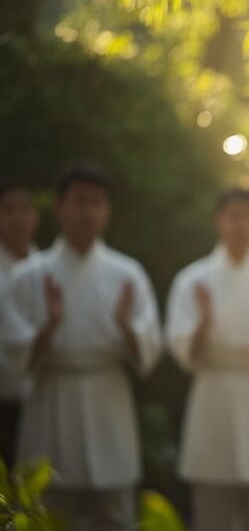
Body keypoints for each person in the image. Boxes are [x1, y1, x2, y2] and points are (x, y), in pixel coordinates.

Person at [5, 163, 162, 530]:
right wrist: (50, 326)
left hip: (107, 395)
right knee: (47, 510)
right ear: (59, 208)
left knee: (117, 513)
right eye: (78, 202)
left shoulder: (127, 273)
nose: (87, 212)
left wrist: (126, 328)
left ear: (107, 210)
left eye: (96, 203)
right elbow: (13, 353)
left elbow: (150, 343)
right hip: (51, 396)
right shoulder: (29, 276)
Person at [165, 187, 249, 531]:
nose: (240, 224)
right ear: (219, 221)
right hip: (212, 394)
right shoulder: (193, 279)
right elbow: (181, 353)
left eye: (247, 216)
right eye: (233, 216)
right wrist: (204, 324)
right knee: (211, 511)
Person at [0, 178, 40, 469]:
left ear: (35, 217)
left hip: (38, 397)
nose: (18, 217)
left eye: (25, 208)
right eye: (9, 208)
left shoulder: (47, 269)